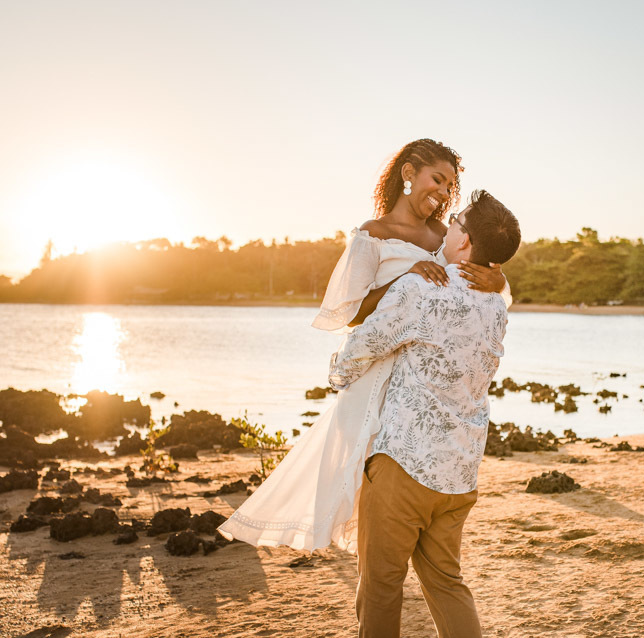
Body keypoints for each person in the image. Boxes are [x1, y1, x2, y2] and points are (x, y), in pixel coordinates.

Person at [217, 140, 510, 552]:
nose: (444, 193)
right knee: (366, 479)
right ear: (409, 174)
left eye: (450, 187)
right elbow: (349, 313)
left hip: (423, 382)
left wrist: (499, 278)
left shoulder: (449, 236)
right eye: (437, 179)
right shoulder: (373, 235)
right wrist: (407, 277)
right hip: (376, 373)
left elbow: (478, 289)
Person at [330, 190, 521, 638]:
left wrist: (337, 372)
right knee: (446, 582)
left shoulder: (421, 288)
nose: (448, 225)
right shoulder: (495, 304)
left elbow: (361, 348)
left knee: (379, 583)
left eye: (456, 221)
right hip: (459, 472)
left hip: (404, 463)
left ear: (465, 242)